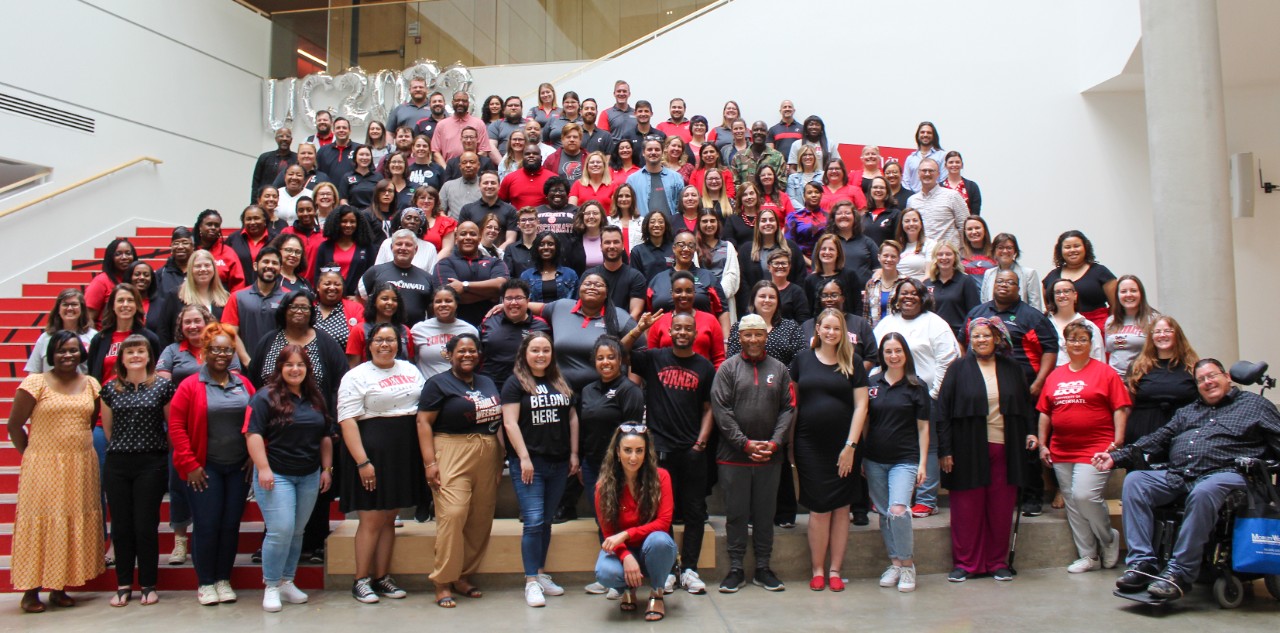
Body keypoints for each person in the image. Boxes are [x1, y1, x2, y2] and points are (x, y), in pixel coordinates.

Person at [1095, 359, 1280, 600]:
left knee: (1205, 490)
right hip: (1182, 474)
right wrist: (1116, 457)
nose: (1208, 382)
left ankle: (1180, 572)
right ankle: (1142, 564)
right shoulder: (1188, 411)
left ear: (1226, 377)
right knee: (1136, 481)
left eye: (1212, 376)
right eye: (1201, 380)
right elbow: (1159, 437)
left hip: (1229, 476)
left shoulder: (1255, 405)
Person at [7, 331, 104, 613]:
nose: (67, 355)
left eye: (73, 350)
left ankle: (59, 587)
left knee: (67, 522)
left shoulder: (91, 385)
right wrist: (31, 454)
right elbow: (15, 425)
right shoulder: (35, 382)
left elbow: (90, 420)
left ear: (81, 353)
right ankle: (30, 590)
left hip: (80, 464)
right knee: (41, 522)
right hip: (43, 465)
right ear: (51, 353)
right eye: (61, 350)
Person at [937, 317, 1038, 582]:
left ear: (997, 338)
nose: (981, 340)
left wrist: (1031, 432)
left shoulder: (1012, 368)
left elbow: (1026, 405)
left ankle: (996, 562)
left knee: (1001, 509)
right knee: (966, 510)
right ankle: (966, 564)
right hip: (967, 449)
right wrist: (945, 450)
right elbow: (943, 412)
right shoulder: (958, 369)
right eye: (976, 336)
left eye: (986, 335)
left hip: (1006, 449)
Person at [338, 323, 426, 603]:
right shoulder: (355, 375)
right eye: (379, 340)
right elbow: (347, 421)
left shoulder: (410, 370)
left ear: (399, 344)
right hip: (371, 453)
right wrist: (363, 462)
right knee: (371, 519)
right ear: (369, 344)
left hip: (403, 451)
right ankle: (360, 580)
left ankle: (382, 577)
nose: (385, 345)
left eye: (390, 340)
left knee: (389, 517)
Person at [168, 323, 256, 604]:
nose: (222, 354)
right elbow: (177, 427)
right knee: (207, 524)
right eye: (215, 349)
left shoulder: (243, 383)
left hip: (238, 468)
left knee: (230, 525)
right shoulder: (190, 385)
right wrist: (190, 464)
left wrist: (254, 457)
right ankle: (206, 582)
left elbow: (256, 421)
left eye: (227, 350)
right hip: (205, 469)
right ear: (205, 351)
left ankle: (223, 579)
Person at [415, 333, 503, 608]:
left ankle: (463, 576)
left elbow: (497, 420)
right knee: (453, 514)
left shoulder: (487, 381)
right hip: (450, 449)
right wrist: (430, 463)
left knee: (480, 517)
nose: (467, 355)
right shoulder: (437, 384)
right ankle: (443, 581)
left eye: (472, 351)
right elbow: (423, 423)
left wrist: (500, 458)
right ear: (449, 355)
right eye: (461, 351)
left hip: (487, 451)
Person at [246, 344, 334, 612]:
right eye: (289, 365)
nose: (295, 369)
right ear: (280, 368)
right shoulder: (264, 397)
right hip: (276, 475)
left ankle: (287, 580)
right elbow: (253, 434)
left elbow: (325, 436)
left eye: (300, 365)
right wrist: (263, 468)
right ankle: (271, 585)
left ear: (307, 369)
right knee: (280, 530)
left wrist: (326, 469)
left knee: (296, 531)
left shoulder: (315, 398)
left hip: (308, 475)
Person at [1036, 321, 1129, 574]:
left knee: (1085, 496)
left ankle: (1108, 539)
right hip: (1062, 449)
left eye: (1082, 339)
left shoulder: (1105, 373)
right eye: (1072, 339)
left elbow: (1121, 407)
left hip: (1096, 448)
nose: (1077, 344)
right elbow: (1045, 412)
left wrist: (1117, 440)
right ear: (1065, 343)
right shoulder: (1056, 375)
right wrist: (1043, 444)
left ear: (1091, 343)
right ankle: (1088, 555)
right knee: (1073, 503)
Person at [713, 313, 795, 593]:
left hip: (769, 457)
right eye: (747, 334)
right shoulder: (727, 369)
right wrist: (745, 444)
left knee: (764, 513)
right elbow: (721, 411)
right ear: (739, 338)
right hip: (733, 457)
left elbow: (788, 409)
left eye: (758, 334)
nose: (753, 339)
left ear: (766, 336)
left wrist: (774, 443)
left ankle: (763, 567)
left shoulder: (780, 370)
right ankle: (736, 568)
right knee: (736, 513)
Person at [968, 269, 1060, 518]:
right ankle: (1004, 493)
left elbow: (1050, 349)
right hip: (985, 393)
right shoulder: (978, 313)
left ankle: (1031, 495)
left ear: (1019, 288)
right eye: (1000, 281)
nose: (1004, 285)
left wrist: (1040, 382)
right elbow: (963, 342)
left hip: (1023, 392)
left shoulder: (1031, 316)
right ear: (993, 285)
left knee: (1026, 444)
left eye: (1011, 282)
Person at [789, 309, 870, 592]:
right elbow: (794, 402)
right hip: (809, 445)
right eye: (827, 327)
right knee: (820, 508)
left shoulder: (853, 362)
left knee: (841, 508)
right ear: (818, 329)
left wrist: (850, 446)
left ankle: (835, 569)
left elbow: (862, 406)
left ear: (843, 331)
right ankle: (818, 569)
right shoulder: (802, 360)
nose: (831, 333)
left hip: (844, 445)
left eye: (837, 328)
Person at [500, 332, 579, 607]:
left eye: (546, 350)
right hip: (530, 465)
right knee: (533, 522)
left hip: (558, 462)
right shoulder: (515, 383)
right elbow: (509, 423)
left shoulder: (559, 380)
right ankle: (531, 580)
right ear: (525, 353)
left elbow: (571, 416)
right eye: (535, 350)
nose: (541, 355)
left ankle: (542, 573)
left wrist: (573, 453)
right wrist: (523, 457)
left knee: (545, 522)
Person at [873, 278, 960, 517]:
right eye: (903, 293)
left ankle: (926, 499)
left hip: (926, 395)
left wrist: (934, 394)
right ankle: (897, 498)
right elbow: (876, 357)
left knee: (928, 447)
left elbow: (948, 359)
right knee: (897, 443)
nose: (908, 297)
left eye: (913, 293)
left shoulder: (935, 323)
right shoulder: (886, 324)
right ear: (896, 298)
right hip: (891, 398)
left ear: (923, 297)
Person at [97, 334, 173, 607]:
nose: (135, 356)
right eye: (130, 353)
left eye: (140, 351)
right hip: (118, 463)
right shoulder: (110, 389)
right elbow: (108, 430)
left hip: (151, 463)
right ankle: (123, 584)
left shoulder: (163, 387)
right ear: (122, 359)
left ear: (149, 356)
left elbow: (170, 426)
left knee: (145, 524)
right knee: (122, 525)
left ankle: (149, 584)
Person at [857, 332, 930, 592]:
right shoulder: (872, 382)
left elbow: (923, 428)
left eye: (898, 350)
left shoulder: (917, 386)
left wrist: (922, 464)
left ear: (905, 353)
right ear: (882, 355)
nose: (893, 356)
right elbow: (865, 422)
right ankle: (895, 563)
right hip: (875, 459)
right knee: (885, 513)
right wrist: (863, 455)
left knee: (899, 510)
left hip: (905, 459)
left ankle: (908, 565)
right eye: (888, 351)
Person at [592, 425, 678, 621]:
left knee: (660, 541)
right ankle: (627, 590)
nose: (633, 457)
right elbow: (608, 533)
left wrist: (626, 534)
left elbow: (664, 523)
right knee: (604, 572)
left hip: (653, 550)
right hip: (624, 552)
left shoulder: (662, 477)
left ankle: (657, 593)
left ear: (646, 452)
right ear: (617, 452)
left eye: (639, 451)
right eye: (627, 450)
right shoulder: (603, 486)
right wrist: (625, 555)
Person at [575, 336, 647, 535]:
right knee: (603, 520)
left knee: (620, 519)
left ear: (620, 360)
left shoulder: (630, 391)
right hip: (592, 466)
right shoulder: (588, 390)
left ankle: (625, 561)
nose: (605, 362)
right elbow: (583, 428)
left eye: (611, 357)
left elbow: (633, 434)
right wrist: (581, 461)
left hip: (620, 467)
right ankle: (610, 562)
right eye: (600, 358)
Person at [246, 291, 349, 400]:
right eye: (293, 307)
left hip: (314, 412)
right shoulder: (268, 341)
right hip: (271, 410)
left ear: (311, 312)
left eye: (304, 308)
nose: (299, 311)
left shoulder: (327, 343)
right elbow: (253, 380)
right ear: (284, 310)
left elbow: (341, 381)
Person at [1123, 316, 1199, 453]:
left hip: (1183, 432)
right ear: (1151, 337)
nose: (1162, 335)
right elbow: (1128, 405)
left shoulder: (1192, 366)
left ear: (1177, 334)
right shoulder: (1137, 367)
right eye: (1157, 332)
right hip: (1143, 431)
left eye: (1168, 331)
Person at [648, 230, 729, 332]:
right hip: (663, 337)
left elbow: (722, 311)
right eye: (681, 245)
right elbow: (647, 314)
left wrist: (726, 342)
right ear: (673, 248)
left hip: (702, 336)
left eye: (690, 245)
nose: (686, 249)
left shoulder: (708, 277)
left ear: (695, 249)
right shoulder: (658, 279)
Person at [642, 271, 726, 368]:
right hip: (665, 380)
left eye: (688, 291)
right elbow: (651, 359)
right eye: (678, 291)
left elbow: (719, 359)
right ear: (672, 293)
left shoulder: (710, 321)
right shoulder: (659, 322)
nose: (683, 295)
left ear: (694, 293)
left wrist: (714, 382)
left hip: (703, 380)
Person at [434, 220, 510, 325]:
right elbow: (449, 297)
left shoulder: (495, 262)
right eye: (463, 234)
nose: (468, 237)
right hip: (455, 326)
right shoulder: (444, 264)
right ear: (456, 239)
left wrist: (464, 286)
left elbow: (502, 284)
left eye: (473, 234)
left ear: (479, 239)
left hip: (491, 326)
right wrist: (492, 293)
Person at [479, 279, 552, 388]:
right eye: (509, 298)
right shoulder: (488, 321)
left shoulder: (543, 326)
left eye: (518, 298)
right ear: (502, 301)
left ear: (528, 301)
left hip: (530, 386)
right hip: (492, 386)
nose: (513, 303)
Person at [1041, 230, 1117, 333]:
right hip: (1061, 330)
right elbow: (1049, 307)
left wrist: (1111, 327)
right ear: (1060, 251)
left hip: (1098, 329)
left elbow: (1116, 305)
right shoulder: (1051, 276)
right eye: (1067, 247)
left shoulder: (1100, 272)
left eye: (1076, 246)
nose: (1072, 250)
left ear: (1085, 247)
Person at [87, 284, 163, 385]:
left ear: (137, 305)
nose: (125, 304)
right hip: (104, 398)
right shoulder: (99, 339)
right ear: (113, 306)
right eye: (120, 300)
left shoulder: (150, 339)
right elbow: (92, 374)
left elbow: (155, 372)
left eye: (130, 300)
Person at [222, 247, 286, 366]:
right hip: (245, 367)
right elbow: (229, 333)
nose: (270, 266)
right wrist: (247, 361)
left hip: (280, 367)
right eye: (266, 261)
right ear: (255, 266)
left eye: (275, 263)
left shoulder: (288, 297)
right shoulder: (237, 297)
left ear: (280, 269)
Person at [735, 207, 804, 317]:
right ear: (758, 225)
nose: (768, 223)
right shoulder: (746, 250)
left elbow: (800, 278)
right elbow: (743, 283)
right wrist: (750, 307)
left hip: (787, 308)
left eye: (771, 220)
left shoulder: (791, 248)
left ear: (777, 224)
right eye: (763, 220)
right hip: (756, 310)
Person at [360, 229, 437, 323]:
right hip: (380, 332)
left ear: (415, 249)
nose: (403, 248)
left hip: (414, 334)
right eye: (399, 244)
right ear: (392, 247)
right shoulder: (375, 271)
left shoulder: (427, 278)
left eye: (408, 245)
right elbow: (359, 298)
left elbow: (432, 309)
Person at [727, 280, 806, 369]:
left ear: (778, 302)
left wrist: (781, 376)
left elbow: (799, 358)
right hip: (745, 379)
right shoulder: (739, 327)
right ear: (753, 300)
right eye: (762, 296)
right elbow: (732, 360)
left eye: (772, 297)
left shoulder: (791, 327)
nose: (767, 300)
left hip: (783, 380)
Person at [800, 279, 879, 367]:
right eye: (825, 295)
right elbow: (801, 357)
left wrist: (856, 375)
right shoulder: (807, 326)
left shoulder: (860, 323)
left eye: (834, 295)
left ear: (843, 298)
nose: (829, 299)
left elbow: (871, 357)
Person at [412, 286, 479, 379]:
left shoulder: (470, 330)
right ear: (433, 305)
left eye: (448, 301)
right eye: (438, 301)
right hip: (428, 388)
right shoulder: (418, 329)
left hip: (460, 388)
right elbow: (411, 359)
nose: (443, 304)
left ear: (456, 304)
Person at [312, 205, 376, 299]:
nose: (348, 225)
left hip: (357, 302)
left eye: (352, 222)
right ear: (337, 223)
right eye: (344, 221)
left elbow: (371, 276)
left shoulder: (367, 247)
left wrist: (359, 297)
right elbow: (318, 276)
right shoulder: (325, 247)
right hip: (329, 299)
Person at [26, 289, 96, 374]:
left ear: (82, 309)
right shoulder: (45, 338)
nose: (69, 308)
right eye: (65, 305)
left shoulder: (94, 336)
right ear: (58, 310)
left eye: (74, 304)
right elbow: (34, 372)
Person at [347, 283, 416, 367]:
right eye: (385, 299)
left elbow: (410, 364)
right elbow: (353, 366)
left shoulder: (405, 330)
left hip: (400, 378)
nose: (390, 302)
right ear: (374, 302)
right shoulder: (359, 330)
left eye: (394, 300)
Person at [587, 225, 647, 320]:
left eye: (616, 242)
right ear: (601, 246)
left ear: (623, 246)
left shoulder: (636, 277)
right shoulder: (589, 276)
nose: (612, 246)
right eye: (607, 242)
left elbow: (635, 314)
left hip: (624, 331)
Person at [1104, 274, 1160, 377]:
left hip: (1143, 377)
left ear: (1141, 294)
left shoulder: (1154, 319)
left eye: (1133, 290)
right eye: (1123, 291)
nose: (1128, 295)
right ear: (1117, 295)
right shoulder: (1110, 321)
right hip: (1115, 380)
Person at [925, 242, 980, 342]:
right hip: (933, 337)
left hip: (958, 337)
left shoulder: (966, 281)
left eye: (948, 254)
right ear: (935, 258)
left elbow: (974, 313)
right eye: (940, 254)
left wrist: (962, 340)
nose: (944, 257)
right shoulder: (927, 283)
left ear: (955, 257)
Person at [907, 159, 967, 248]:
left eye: (931, 171)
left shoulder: (952, 196)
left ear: (938, 174)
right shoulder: (912, 201)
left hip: (948, 255)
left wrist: (960, 251)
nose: (927, 174)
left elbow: (964, 225)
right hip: (922, 255)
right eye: (924, 171)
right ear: (918, 174)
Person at [1046, 279, 1105, 366]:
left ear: (1075, 295)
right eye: (1057, 292)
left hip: (1083, 376)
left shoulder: (1088, 326)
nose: (1062, 295)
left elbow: (1099, 358)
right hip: (1052, 377)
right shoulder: (1045, 324)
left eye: (1066, 291)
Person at [432, 91, 500, 166]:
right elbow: (435, 151)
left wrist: (470, 165)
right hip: (449, 171)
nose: (460, 103)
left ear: (468, 103)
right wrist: (446, 169)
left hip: (473, 170)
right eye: (457, 100)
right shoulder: (441, 125)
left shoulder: (479, 123)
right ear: (452, 102)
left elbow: (484, 150)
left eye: (464, 101)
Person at [694, 208, 740, 319]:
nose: (709, 224)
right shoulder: (694, 248)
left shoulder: (728, 246)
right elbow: (693, 274)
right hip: (702, 300)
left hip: (725, 300)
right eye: (705, 221)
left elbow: (733, 274)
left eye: (712, 221)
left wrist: (717, 295)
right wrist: (706, 295)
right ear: (699, 224)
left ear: (717, 223)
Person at [980, 233, 1044, 311]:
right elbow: (984, 303)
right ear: (994, 251)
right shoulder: (988, 274)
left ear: (1015, 251)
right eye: (1000, 247)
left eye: (1009, 248)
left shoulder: (1029, 274)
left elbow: (1035, 308)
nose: (1005, 251)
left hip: (1021, 320)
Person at [86, 237, 139, 326]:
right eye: (118, 254)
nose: (124, 257)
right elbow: (88, 318)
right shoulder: (101, 281)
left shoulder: (136, 280)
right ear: (110, 257)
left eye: (128, 253)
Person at [460, 170, 518, 248]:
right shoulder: (467, 209)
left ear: (499, 186)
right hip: (474, 255)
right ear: (479, 186)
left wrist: (496, 254)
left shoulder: (510, 210)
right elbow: (463, 237)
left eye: (493, 183)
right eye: (485, 183)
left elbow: (510, 240)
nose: (489, 186)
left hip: (501, 256)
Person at [313, 268, 364, 353]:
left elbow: (363, 338)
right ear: (318, 287)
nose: (332, 287)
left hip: (345, 363)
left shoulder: (356, 309)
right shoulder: (309, 308)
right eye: (327, 284)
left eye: (337, 284)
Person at [627, 138, 684, 214]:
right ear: (643, 153)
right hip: (642, 224)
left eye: (657, 149)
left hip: (671, 224)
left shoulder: (676, 178)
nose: (653, 152)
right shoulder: (632, 180)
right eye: (649, 149)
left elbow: (681, 205)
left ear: (662, 152)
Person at [730, 122, 787, 197]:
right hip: (746, 202)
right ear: (751, 133)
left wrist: (765, 195)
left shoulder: (777, 156)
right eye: (756, 130)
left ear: (767, 133)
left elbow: (782, 183)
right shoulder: (739, 157)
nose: (759, 132)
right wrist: (748, 195)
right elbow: (734, 183)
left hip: (770, 202)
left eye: (762, 130)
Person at [373, 212, 439, 271]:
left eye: (416, 219)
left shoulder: (429, 248)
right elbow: (377, 270)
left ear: (421, 224)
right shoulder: (387, 243)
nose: (412, 221)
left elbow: (432, 276)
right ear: (401, 221)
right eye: (408, 218)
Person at [499, 142, 554, 210]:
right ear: (522, 158)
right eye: (527, 154)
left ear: (541, 158)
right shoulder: (510, 178)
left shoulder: (553, 178)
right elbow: (501, 204)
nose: (531, 155)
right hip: (517, 219)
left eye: (535, 153)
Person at [252, 127, 297, 203]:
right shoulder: (264, 157)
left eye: (287, 136)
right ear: (276, 139)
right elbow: (256, 183)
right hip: (266, 200)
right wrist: (254, 203)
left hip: (289, 200)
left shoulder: (297, 159)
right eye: (281, 136)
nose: (284, 139)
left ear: (291, 140)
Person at [864, 240, 903, 327]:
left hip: (898, 335)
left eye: (893, 256)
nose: (889, 259)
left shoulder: (906, 283)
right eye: (885, 256)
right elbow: (866, 315)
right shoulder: (871, 284)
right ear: (879, 257)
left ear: (899, 259)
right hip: (875, 335)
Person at [786, 182, 828, 262]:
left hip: (826, 261)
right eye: (809, 192)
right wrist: (810, 264)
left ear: (821, 195)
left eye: (817, 192)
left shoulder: (829, 217)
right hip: (801, 263)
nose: (813, 195)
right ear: (804, 196)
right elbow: (790, 245)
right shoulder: (794, 217)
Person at [565, 200, 608, 275]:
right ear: (582, 217)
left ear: (602, 217)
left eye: (595, 213)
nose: (591, 216)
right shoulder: (573, 243)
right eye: (587, 213)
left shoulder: (610, 239)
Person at [630, 209, 675, 281]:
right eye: (652, 222)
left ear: (666, 226)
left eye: (660, 222)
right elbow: (635, 280)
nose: (657, 225)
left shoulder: (674, 249)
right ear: (646, 225)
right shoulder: (637, 251)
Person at [894, 208, 937, 282]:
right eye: (907, 221)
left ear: (921, 223)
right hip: (897, 288)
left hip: (919, 288)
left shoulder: (930, 244)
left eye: (915, 220)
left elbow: (929, 275)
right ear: (902, 224)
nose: (911, 224)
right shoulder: (897, 246)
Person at [903, 121, 945, 193]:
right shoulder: (911, 158)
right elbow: (906, 182)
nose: (925, 135)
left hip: (936, 199)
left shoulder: (942, 156)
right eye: (922, 132)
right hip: (915, 200)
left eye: (929, 133)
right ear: (918, 135)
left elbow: (943, 180)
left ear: (934, 136)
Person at [155, 227, 196, 298]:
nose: (180, 247)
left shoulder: (200, 271)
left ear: (193, 247)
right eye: (176, 243)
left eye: (185, 243)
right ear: (171, 247)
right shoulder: (161, 273)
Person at [316, 117, 360, 182]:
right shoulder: (323, 151)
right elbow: (317, 174)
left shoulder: (359, 149)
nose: (341, 130)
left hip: (352, 190)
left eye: (344, 128)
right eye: (338, 128)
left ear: (350, 131)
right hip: (330, 191)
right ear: (333, 131)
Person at [940, 151, 982, 215]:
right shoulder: (939, 187)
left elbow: (975, 212)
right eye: (951, 162)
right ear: (945, 166)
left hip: (967, 224)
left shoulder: (972, 186)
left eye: (957, 162)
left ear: (962, 165)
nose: (954, 165)